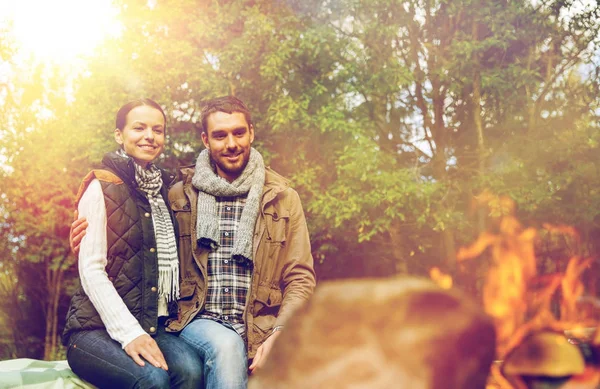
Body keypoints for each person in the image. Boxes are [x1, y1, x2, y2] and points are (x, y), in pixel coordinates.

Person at [70, 96, 317, 389]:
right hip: (193, 320)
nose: (231, 144)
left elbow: (300, 277)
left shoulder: (282, 197)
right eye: (219, 135)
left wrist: (282, 331)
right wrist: (85, 238)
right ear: (205, 139)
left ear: (251, 132)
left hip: (258, 323)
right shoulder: (180, 192)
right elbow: (131, 237)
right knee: (220, 349)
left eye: (239, 132)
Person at [63, 99, 203, 389]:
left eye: (157, 129)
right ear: (119, 135)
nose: (149, 136)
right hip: (94, 329)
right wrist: (129, 334)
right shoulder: (101, 185)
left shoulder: (168, 189)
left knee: (191, 372)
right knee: (152, 380)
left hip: (153, 321)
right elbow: (91, 270)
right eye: (138, 128)